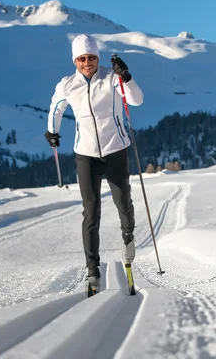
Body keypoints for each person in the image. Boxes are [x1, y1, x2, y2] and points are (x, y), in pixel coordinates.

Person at [45, 34, 144, 291]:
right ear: (75, 60)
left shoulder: (111, 78)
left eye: (91, 57)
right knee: (91, 212)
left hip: (115, 150)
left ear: (97, 58)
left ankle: (128, 240)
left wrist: (127, 77)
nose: (87, 62)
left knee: (124, 202)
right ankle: (92, 269)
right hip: (86, 154)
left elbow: (136, 100)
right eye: (81, 58)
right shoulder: (67, 84)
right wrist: (52, 132)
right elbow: (55, 108)